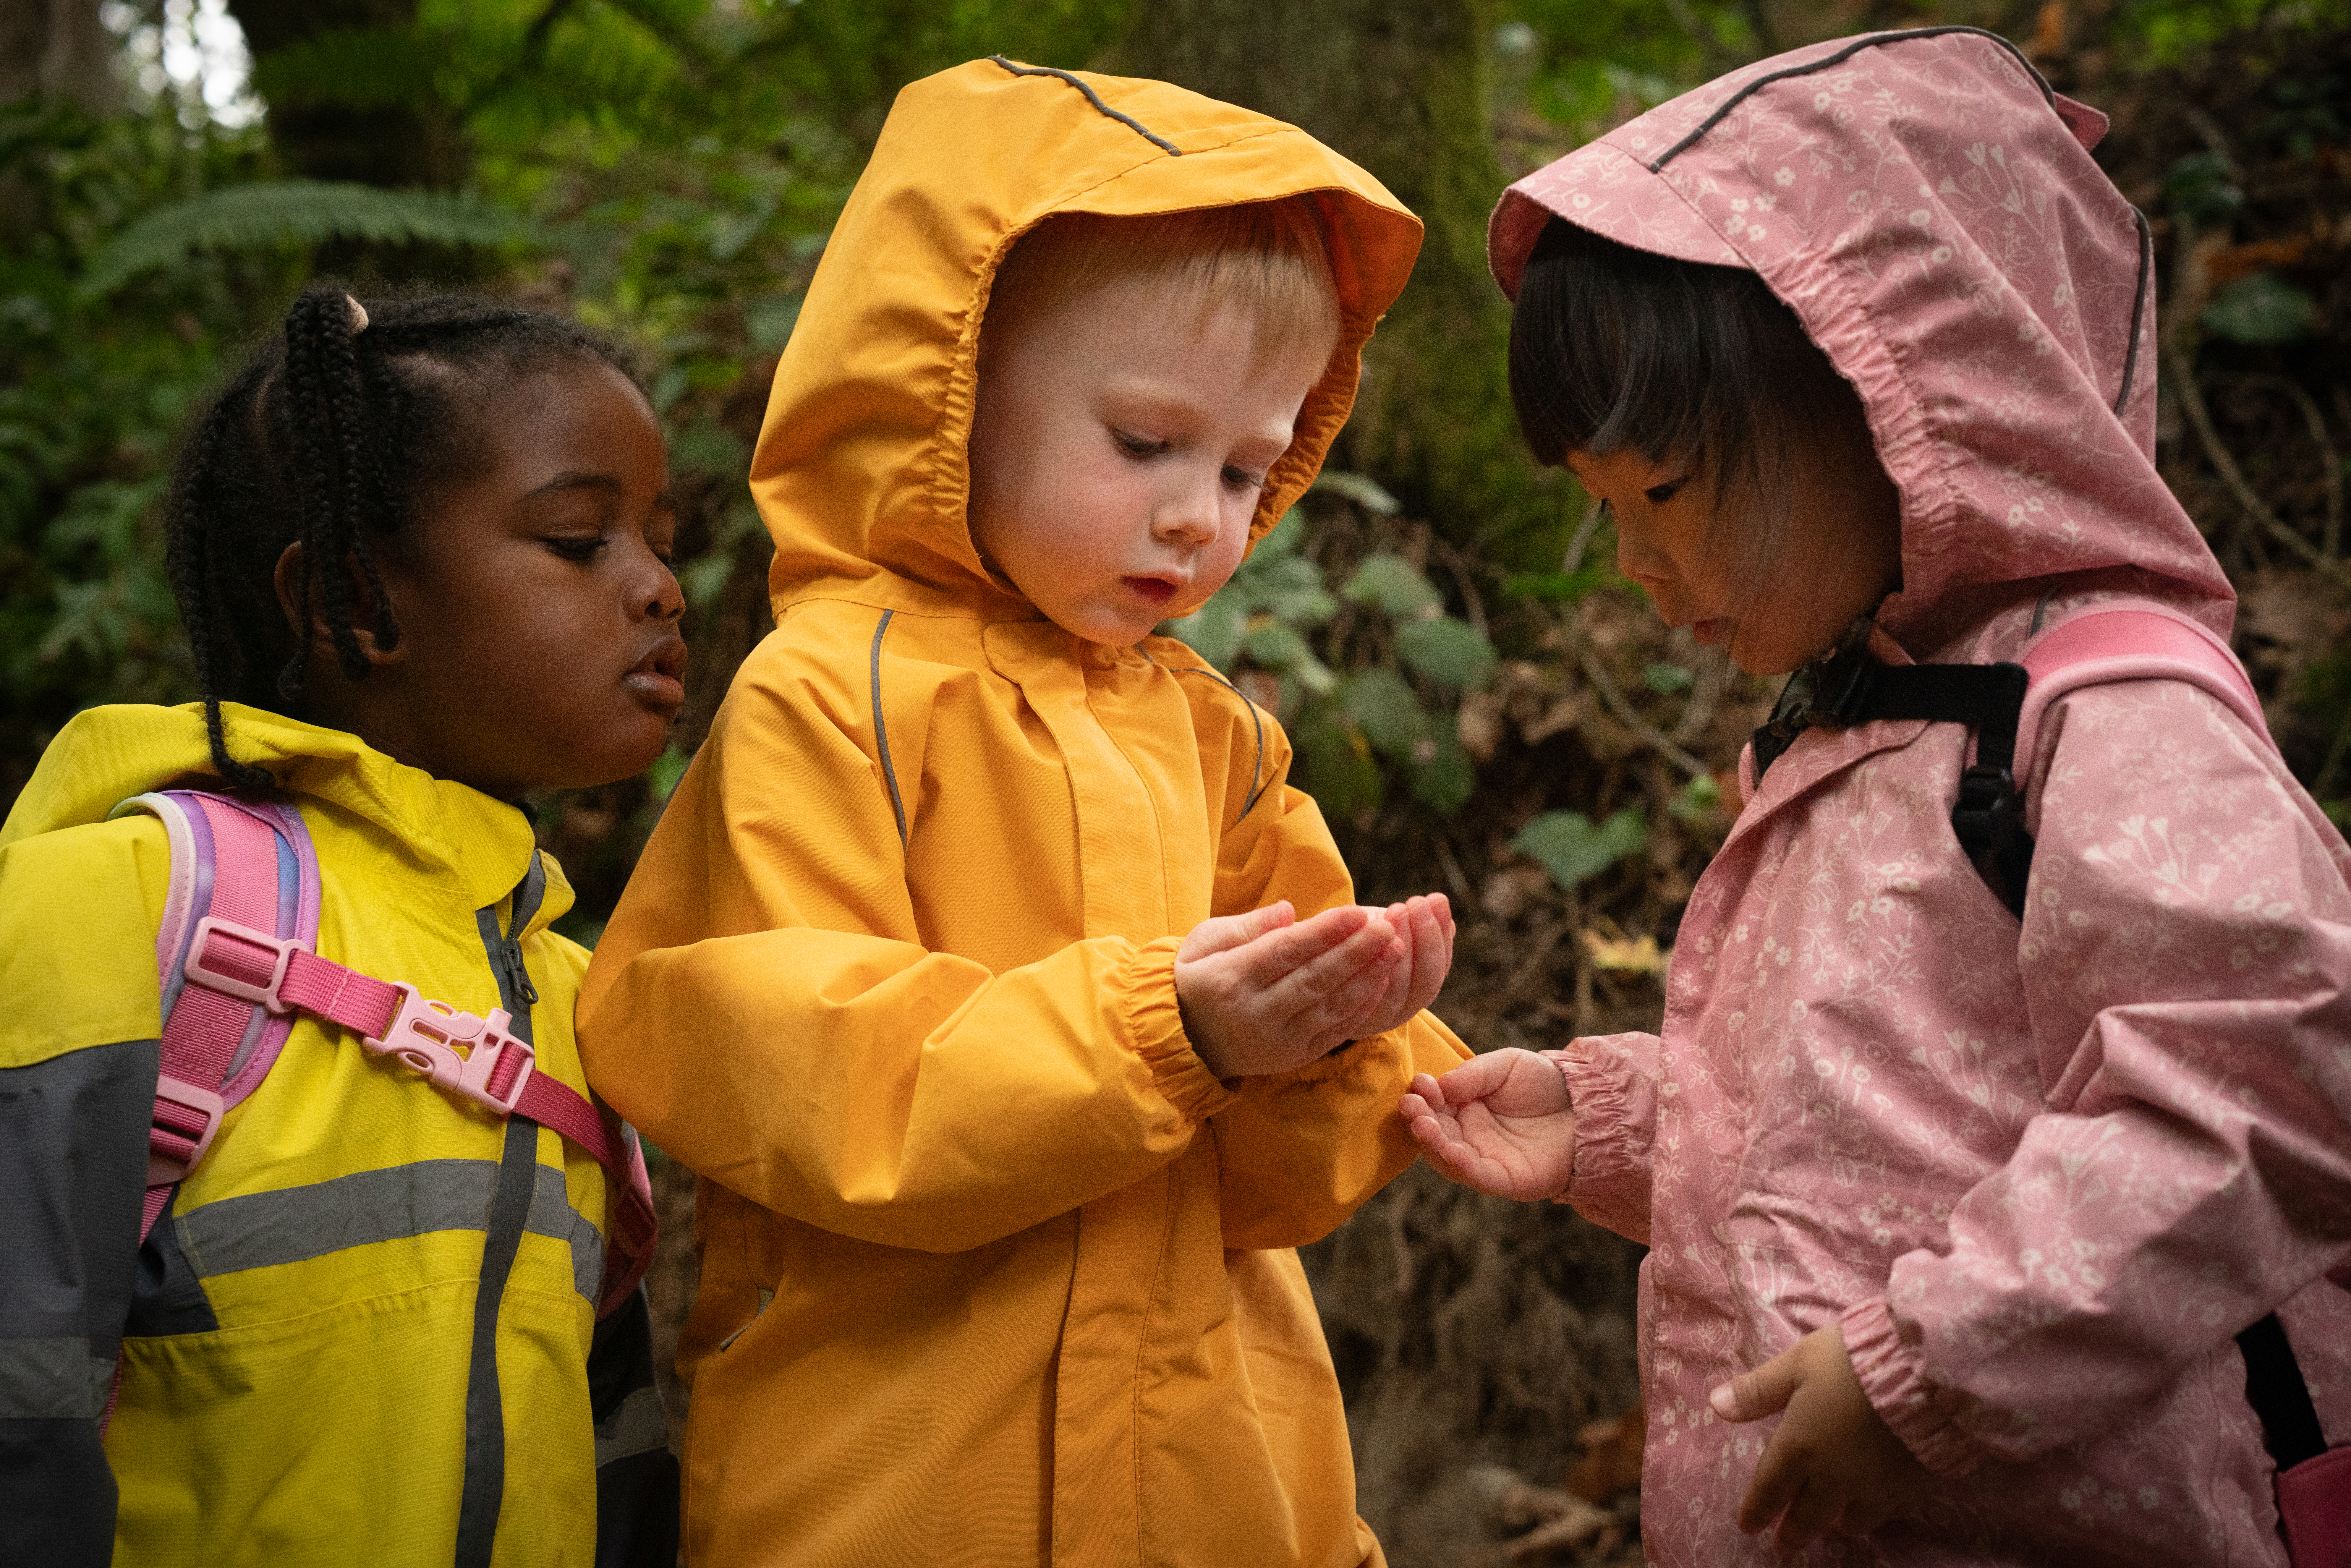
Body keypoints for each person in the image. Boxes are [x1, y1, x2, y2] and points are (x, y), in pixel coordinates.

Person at [1402, 26, 2351, 1568]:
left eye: (1668, 486)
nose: (1633, 562)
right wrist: (1617, 1118)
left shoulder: (2100, 718)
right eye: (1599, 507)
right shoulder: (1846, 728)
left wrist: (1938, 1363)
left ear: (1908, 402)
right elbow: (1893, 1111)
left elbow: (2272, 1078)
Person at [576, 58, 1470, 1568]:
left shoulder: (1217, 738)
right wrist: (1166, 1035)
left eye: (1249, 468)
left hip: (1217, 1484)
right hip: (899, 1486)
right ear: (947, 393)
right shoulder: (827, 695)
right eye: (1142, 444)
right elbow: (807, 1075)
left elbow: (1260, 1192)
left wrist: (1348, 1048)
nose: (1200, 514)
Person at [0, 285, 684, 1567]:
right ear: (348, 594)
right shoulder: (123, 904)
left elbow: (612, 1438)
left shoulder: (580, 992)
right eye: (580, 540)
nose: (659, 589)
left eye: (660, 537)